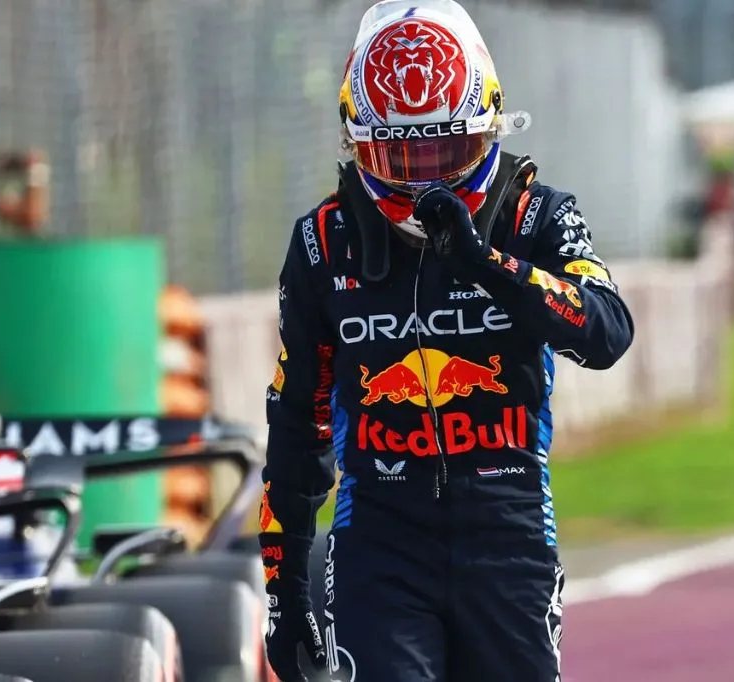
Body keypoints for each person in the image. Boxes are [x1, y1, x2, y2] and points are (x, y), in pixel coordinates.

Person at [259, 1, 635, 680]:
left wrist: (490, 266)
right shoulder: (321, 242)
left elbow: (607, 330)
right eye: (401, 155)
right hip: (379, 540)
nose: (424, 178)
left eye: (445, 150)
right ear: (357, 144)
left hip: (509, 534)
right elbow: (296, 422)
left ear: (489, 124)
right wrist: (285, 590)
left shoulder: (538, 215)